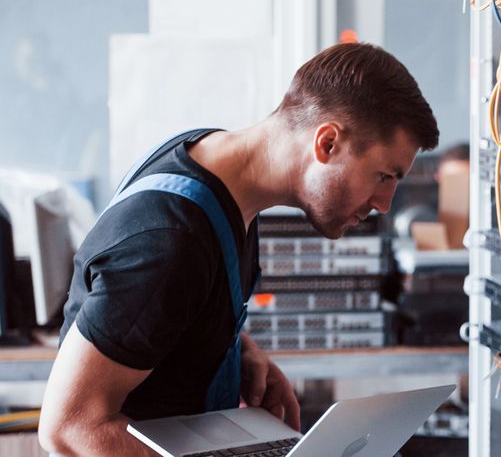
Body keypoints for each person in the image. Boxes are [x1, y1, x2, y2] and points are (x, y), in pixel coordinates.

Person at [37, 43, 439, 456]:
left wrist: (236, 351)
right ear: (328, 143)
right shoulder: (172, 238)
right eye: (385, 176)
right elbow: (70, 428)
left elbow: (165, 308)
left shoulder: (217, 174)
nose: (385, 204)